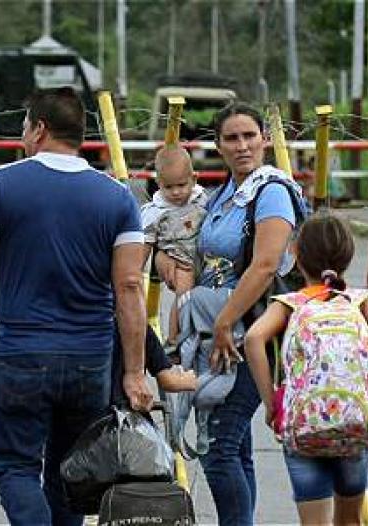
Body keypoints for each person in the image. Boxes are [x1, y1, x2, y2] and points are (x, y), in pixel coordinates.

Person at [0, 86, 153, 526]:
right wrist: (133, 371)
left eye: (24, 125)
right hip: (91, 359)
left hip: (22, 355)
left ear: (39, 128)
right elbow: (130, 287)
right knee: (72, 472)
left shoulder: (1, 183)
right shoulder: (118, 197)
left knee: (15, 466)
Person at [156, 102, 304, 525]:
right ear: (218, 145)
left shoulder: (271, 190)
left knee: (217, 448)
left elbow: (265, 263)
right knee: (235, 447)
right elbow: (193, 253)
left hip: (251, 332)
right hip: (217, 331)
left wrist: (224, 323)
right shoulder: (222, 195)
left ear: (264, 139)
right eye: (232, 138)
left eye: (249, 136)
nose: (242, 146)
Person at [246, 213, 368, 525]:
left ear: (296, 254)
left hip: (303, 428)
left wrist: (272, 403)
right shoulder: (358, 302)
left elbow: (253, 339)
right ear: (348, 256)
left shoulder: (291, 303)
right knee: (351, 521)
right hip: (354, 425)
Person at [140, 145, 207, 349]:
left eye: (182, 185)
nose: (176, 192)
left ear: (194, 179)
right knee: (184, 294)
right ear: (159, 184)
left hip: (204, 257)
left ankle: (195, 332)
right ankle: (174, 337)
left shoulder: (202, 199)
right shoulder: (154, 212)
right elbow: (145, 245)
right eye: (168, 187)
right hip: (180, 262)